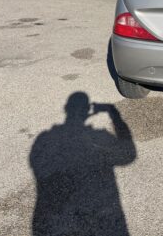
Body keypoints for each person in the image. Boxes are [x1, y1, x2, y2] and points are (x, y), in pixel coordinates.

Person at [30, 92, 136, 236]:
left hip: (54, 219)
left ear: (66, 108)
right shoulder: (99, 137)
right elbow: (128, 156)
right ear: (87, 111)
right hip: (103, 216)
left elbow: (38, 164)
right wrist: (114, 114)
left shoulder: (44, 139)